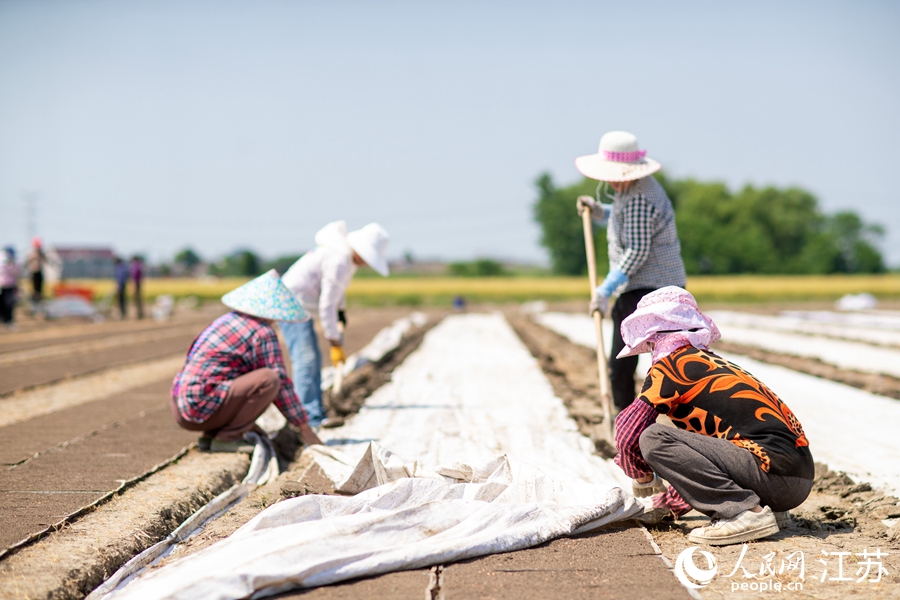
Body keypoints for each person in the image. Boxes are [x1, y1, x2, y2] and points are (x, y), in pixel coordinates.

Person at [613, 286, 814, 545]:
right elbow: (705, 459)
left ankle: (745, 513)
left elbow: (627, 430)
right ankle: (765, 509)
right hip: (797, 479)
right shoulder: (709, 362)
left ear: (654, 336)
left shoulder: (671, 366)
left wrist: (641, 475)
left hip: (773, 476)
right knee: (685, 438)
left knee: (653, 438)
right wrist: (670, 503)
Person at [575, 131, 687, 412]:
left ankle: (627, 419)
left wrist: (605, 289)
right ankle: (632, 421)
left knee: (625, 363)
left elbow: (637, 250)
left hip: (650, 290)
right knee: (660, 363)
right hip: (659, 287)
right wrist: (600, 211)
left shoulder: (640, 197)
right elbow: (623, 214)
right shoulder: (635, 189)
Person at [170, 270, 322, 452]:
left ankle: (211, 436)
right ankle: (227, 438)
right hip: (201, 408)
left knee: (238, 376)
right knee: (269, 379)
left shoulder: (226, 320)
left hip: (181, 405)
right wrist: (305, 428)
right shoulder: (262, 332)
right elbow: (280, 384)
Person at [280, 221, 390, 429]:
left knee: (312, 358)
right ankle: (307, 418)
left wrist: (341, 312)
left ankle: (314, 412)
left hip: (298, 304)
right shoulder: (339, 259)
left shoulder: (343, 258)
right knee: (306, 359)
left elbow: (336, 295)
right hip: (291, 304)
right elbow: (327, 304)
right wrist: (334, 341)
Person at [25, 237, 47, 314]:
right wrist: (33, 256)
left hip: (39, 273)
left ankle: (39, 308)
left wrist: (41, 255)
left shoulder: (41, 252)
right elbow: (26, 262)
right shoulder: (31, 252)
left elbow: (46, 261)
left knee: (40, 291)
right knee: (33, 291)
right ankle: (33, 307)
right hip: (33, 273)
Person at [1, 247, 20, 329]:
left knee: (9, 304)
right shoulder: (1, 261)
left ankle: (9, 321)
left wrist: (11, 263)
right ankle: (3, 320)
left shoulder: (13, 262)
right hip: (1, 287)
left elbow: (15, 272)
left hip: (10, 286)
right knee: (1, 304)